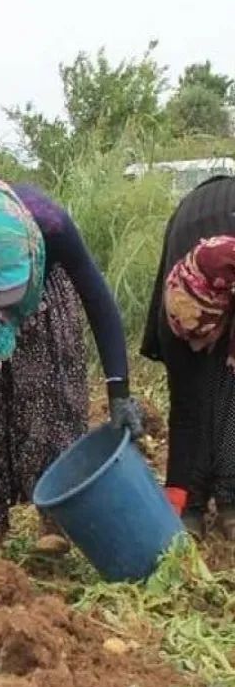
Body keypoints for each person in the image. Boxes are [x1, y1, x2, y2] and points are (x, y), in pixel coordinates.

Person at [0, 178, 142, 548]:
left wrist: (119, 390)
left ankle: (55, 514)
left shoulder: (52, 225)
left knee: (50, 394)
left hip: (44, 302)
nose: (7, 312)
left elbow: (98, 300)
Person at [140, 175, 235, 538]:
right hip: (193, 231)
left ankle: (230, 497)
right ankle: (191, 502)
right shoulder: (179, 298)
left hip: (226, 252)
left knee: (229, 388)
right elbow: (184, 411)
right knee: (191, 395)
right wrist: (178, 502)